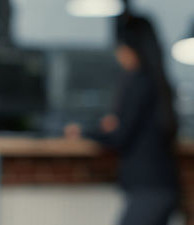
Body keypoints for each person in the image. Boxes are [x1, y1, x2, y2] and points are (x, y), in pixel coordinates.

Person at [65, 15, 179, 225]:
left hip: (150, 190)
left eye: (120, 47)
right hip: (159, 187)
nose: (118, 54)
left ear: (130, 49)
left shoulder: (139, 83)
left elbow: (120, 136)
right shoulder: (155, 81)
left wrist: (84, 132)